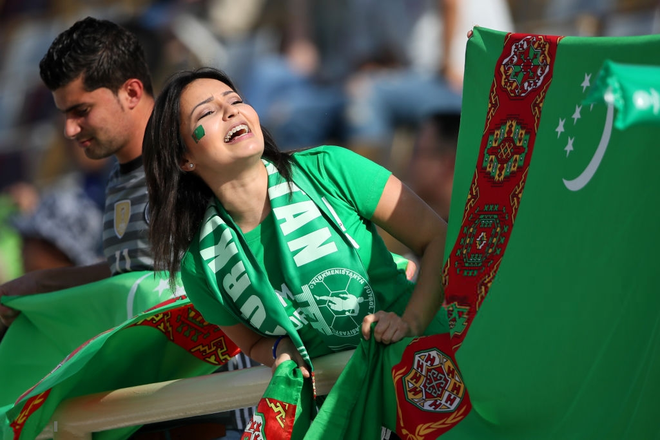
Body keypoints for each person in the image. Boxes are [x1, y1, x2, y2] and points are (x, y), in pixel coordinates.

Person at [142, 67, 448, 385]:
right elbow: (251, 343)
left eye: (235, 100)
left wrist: (409, 323)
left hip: (432, 366)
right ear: (184, 159)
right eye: (207, 111)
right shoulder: (201, 267)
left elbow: (438, 237)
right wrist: (279, 348)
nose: (231, 111)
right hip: (345, 408)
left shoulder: (330, 167)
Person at [0, 16, 155, 327]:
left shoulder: (193, 158)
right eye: (64, 114)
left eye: (81, 111)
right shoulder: (119, 176)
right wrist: (42, 284)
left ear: (132, 93)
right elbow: (136, 273)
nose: (69, 130)